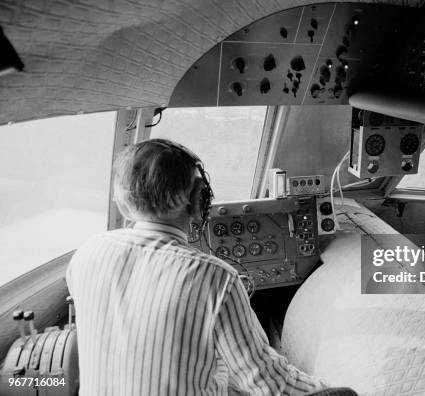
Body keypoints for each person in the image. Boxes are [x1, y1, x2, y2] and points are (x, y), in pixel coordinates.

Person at [66, 138, 326, 395]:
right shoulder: (217, 278)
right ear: (198, 198)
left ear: (121, 202)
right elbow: (269, 385)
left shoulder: (86, 254)